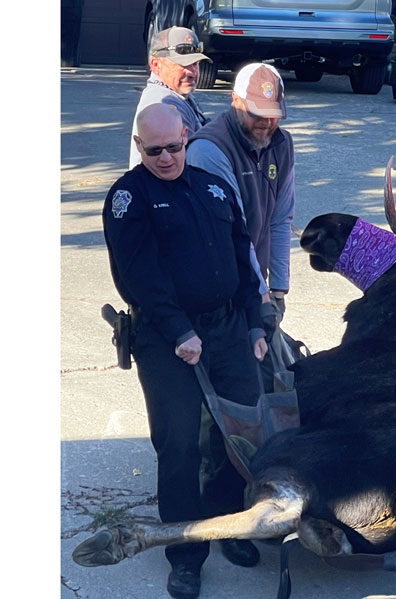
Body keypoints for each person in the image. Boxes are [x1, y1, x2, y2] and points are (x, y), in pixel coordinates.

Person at [103, 103, 268, 599]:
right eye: (154, 151)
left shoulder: (213, 187)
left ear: (187, 138)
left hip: (228, 329)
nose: (167, 158)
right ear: (139, 147)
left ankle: (226, 528)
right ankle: (185, 552)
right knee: (179, 446)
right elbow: (138, 277)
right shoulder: (128, 197)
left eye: (174, 147)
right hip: (165, 337)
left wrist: (257, 324)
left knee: (236, 435)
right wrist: (179, 332)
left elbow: (244, 258)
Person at [187, 63, 294, 319]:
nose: (266, 122)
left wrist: (278, 289)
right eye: (256, 112)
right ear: (235, 101)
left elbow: (280, 219)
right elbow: (235, 231)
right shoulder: (208, 150)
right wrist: (260, 294)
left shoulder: (281, 143)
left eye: (273, 113)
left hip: (253, 282)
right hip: (214, 289)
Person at [129, 26, 212, 170]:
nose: (192, 72)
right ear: (156, 65)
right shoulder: (164, 103)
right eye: (183, 64)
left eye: (196, 64)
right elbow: (199, 159)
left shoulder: (177, 94)